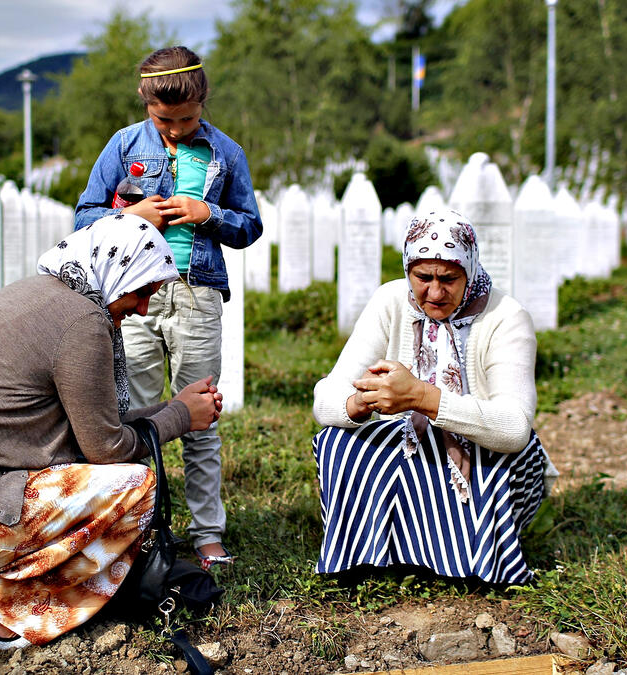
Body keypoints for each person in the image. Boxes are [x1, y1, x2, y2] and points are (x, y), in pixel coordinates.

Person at [0, 215, 223, 649]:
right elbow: (107, 448)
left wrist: (174, 406)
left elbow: (92, 423)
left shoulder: (42, 294)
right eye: (142, 291)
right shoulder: (82, 321)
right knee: (137, 486)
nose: (143, 309)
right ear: (115, 271)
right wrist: (180, 418)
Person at [73, 45, 263, 569]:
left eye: (188, 119)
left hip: (198, 293)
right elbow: (84, 214)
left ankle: (207, 532)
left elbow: (249, 226)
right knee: (130, 415)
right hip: (136, 296)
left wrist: (210, 214)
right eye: (165, 119)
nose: (177, 129)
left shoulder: (227, 152)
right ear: (144, 101)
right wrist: (130, 214)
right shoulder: (122, 145)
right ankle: (139, 527)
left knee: (200, 413)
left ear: (204, 102)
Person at [311, 210, 558, 584]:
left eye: (449, 278)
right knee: (338, 441)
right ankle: (378, 555)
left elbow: (514, 428)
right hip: (414, 445)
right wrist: (361, 401)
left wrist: (422, 397)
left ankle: (473, 559)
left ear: (470, 271)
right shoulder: (391, 302)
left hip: (484, 446)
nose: (435, 292)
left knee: (492, 452)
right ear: (408, 268)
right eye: (422, 277)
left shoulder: (506, 317)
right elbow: (325, 397)